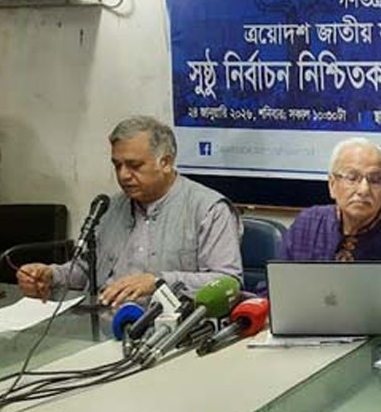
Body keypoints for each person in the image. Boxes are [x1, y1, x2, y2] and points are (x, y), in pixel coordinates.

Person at [16, 116, 242, 306]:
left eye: (134, 166)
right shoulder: (110, 208)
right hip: (103, 321)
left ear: (165, 163)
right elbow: (88, 270)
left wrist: (158, 282)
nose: (123, 175)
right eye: (117, 165)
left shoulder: (208, 209)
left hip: (169, 327)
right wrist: (51, 275)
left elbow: (228, 282)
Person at [279, 138, 381, 325]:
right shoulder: (306, 224)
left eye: (375, 180)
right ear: (332, 185)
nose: (363, 190)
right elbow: (277, 293)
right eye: (352, 178)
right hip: (305, 331)